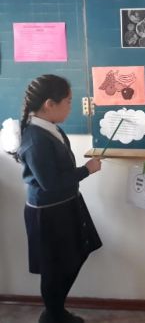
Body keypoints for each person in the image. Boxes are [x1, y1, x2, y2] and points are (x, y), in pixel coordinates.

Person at [11, 75, 103, 323]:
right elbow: (50, 184)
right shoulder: (35, 138)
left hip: (66, 204)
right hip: (49, 213)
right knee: (55, 269)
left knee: (75, 256)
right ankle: (53, 315)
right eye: (69, 101)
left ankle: (55, 311)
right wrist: (86, 170)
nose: (71, 107)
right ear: (49, 104)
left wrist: (83, 172)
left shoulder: (50, 127)